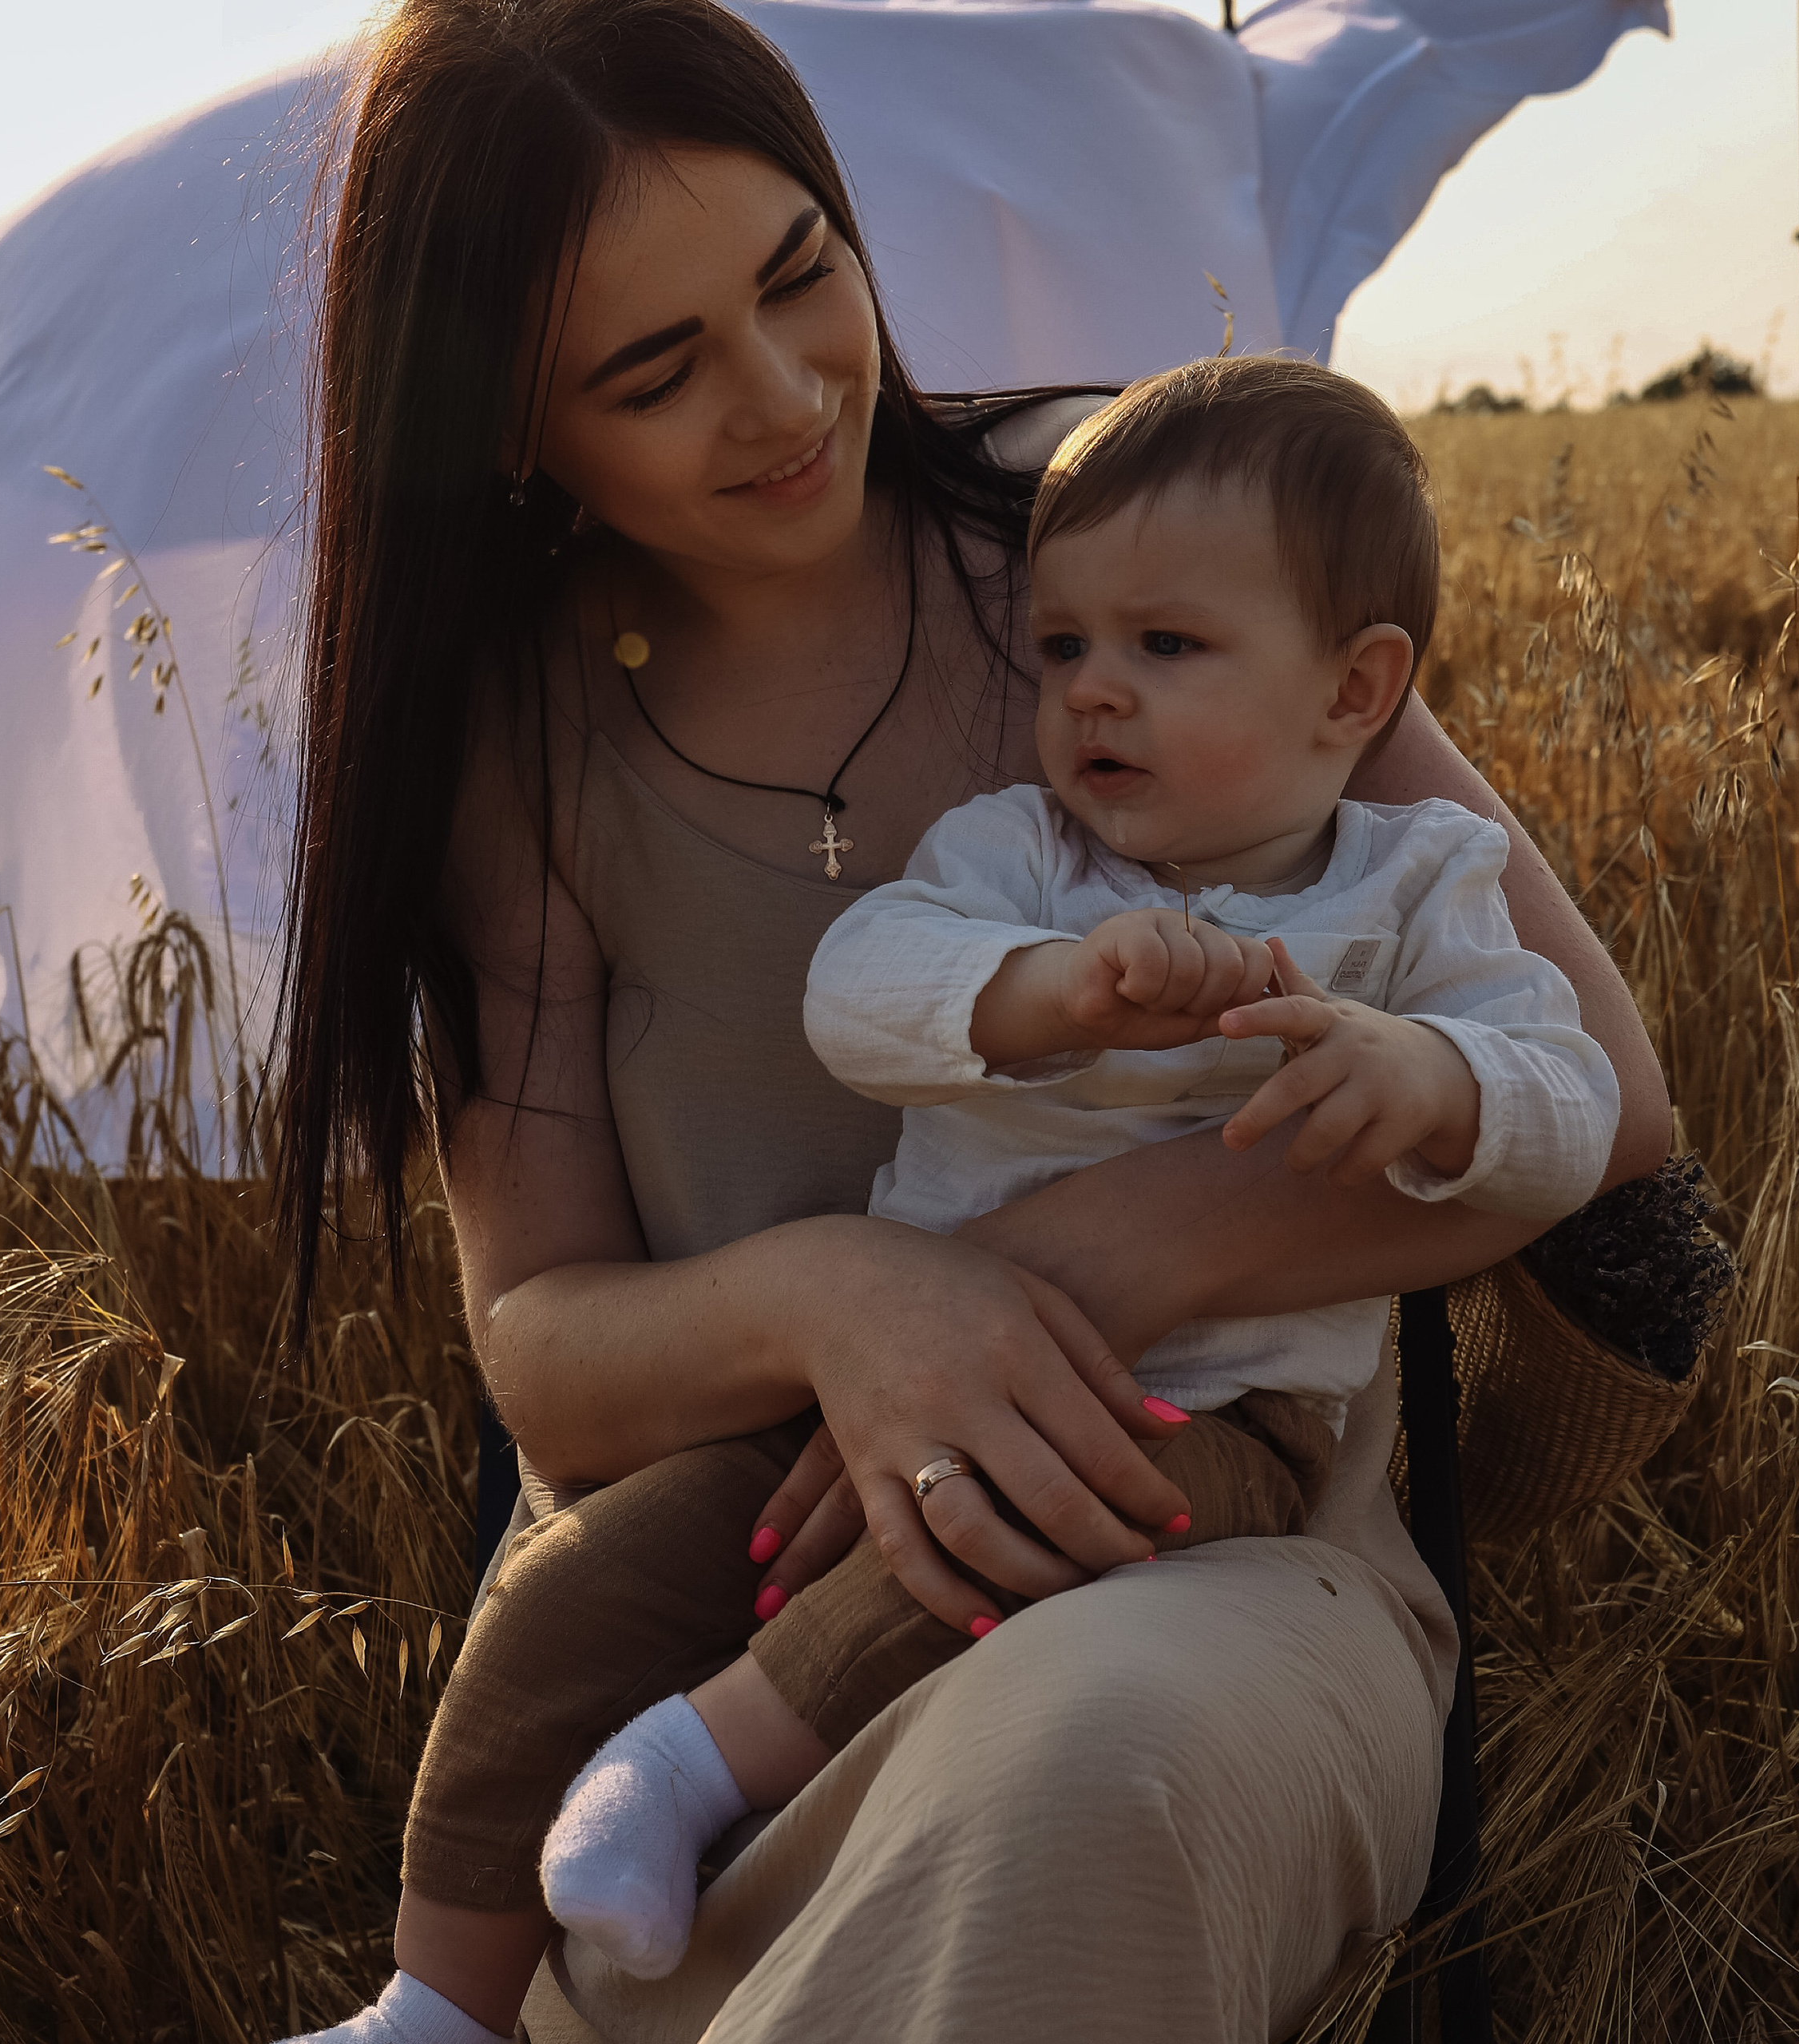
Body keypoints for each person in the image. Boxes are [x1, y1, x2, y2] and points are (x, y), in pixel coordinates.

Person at [273, 2, 1670, 2039]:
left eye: (798, 275)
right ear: (507, 423)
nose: (779, 398)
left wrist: (1078, 1258)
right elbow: (550, 1366)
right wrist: (845, 1304)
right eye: (653, 371)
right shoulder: (515, 740)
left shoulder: (1118, 527)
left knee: (1083, 1773)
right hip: (719, 1611)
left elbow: (1599, 1098)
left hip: (1190, 1546)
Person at [518, 355, 1620, 1982]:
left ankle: (704, 1753)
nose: (1092, 689)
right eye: (1061, 647)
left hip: (1216, 1416)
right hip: (865, 1387)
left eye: (1161, 648)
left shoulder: (1415, 889)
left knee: (1024, 1525)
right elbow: (861, 983)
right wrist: (1049, 989)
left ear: (1351, 691)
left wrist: (1434, 1074)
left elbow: (1585, 1100)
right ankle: (432, 1982)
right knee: (586, 1582)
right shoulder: (1022, 853)